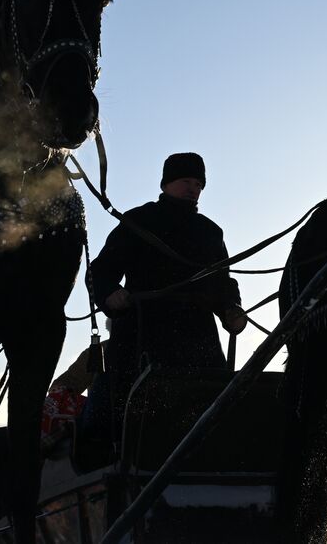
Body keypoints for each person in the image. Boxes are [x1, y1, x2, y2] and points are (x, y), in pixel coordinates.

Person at [87, 152, 247, 434]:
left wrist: (231, 309)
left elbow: (222, 282)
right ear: (166, 183)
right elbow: (101, 270)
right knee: (118, 407)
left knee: (214, 404)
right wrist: (110, 293)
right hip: (142, 331)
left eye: (198, 184)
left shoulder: (211, 232)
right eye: (186, 181)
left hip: (197, 335)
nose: (193, 189)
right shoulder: (137, 220)